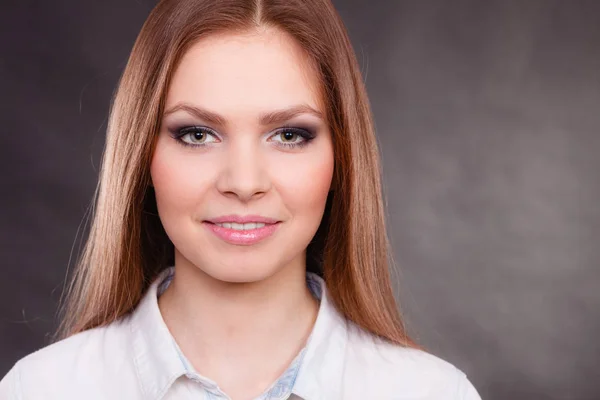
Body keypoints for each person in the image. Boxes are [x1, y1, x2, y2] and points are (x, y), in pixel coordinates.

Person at [0, 0, 482, 399]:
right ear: (140, 155)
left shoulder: (434, 393)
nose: (244, 181)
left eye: (290, 135)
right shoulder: (39, 389)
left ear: (343, 158)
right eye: (197, 134)